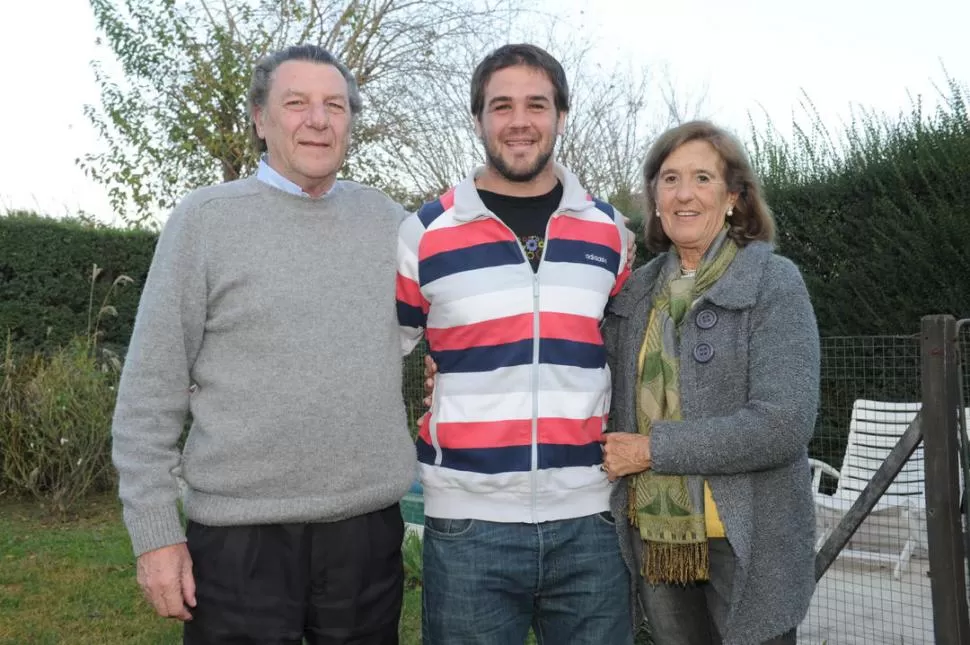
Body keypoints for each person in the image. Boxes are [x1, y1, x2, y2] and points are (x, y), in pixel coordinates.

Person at [111, 45, 416, 644]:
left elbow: (451, 328)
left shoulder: (392, 225)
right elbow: (150, 388)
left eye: (334, 105)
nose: (318, 120)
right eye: (296, 103)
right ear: (260, 118)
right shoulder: (205, 222)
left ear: (351, 120)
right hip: (238, 543)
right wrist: (154, 535)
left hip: (366, 536)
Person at [396, 44, 635, 644]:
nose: (520, 120)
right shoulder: (425, 233)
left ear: (561, 115)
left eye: (537, 104)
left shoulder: (611, 234)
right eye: (501, 106)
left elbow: (626, 353)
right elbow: (380, 352)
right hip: (467, 523)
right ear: (478, 119)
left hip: (591, 518)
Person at [599, 120, 820, 645]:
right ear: (654, 198)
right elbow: (584, 372)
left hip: (746, 543)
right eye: (669, 179)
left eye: (702, 177)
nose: (684, 194)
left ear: (733, 198)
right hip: (655, 535)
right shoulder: (634, 292)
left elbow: (783, 424)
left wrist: (654, 450)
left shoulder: (772, 281)